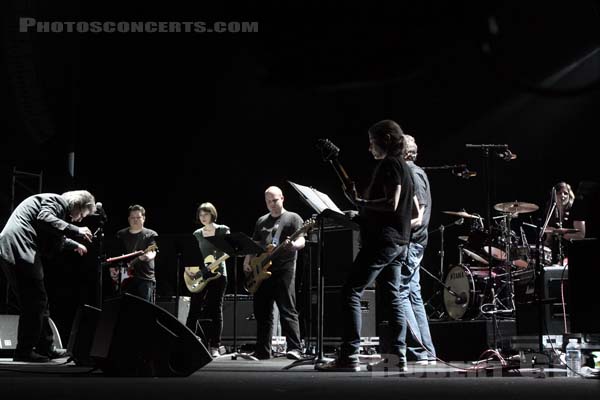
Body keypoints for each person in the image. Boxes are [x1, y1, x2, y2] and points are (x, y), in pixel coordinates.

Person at [317, 119, 415, 372]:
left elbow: (390, 205)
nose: (370, 147)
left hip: (383, 241)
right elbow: (400, 209)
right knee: (392, 297)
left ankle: (349, 356)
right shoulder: (404, 167)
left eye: (373, 142)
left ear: (386, 139)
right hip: (398, 241)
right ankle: (397, 358)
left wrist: (361, 203)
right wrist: (360, 212)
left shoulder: (390, 164)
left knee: (350, 291)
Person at [0, 190, 96, 362]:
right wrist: (76, 229)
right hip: (19, 246)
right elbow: (45, 218)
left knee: (37, 301)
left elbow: (54, 234)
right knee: (35, 301)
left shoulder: (57, 209)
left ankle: (45, 347)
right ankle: (24, 350)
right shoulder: (56, 200)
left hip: (17, 246)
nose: (80, 219)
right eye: (82, 214)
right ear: (76, 204)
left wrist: (75, 244)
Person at [243, 186, 305, 361]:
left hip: (284, 269)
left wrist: (294, 245)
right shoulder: (261, 220)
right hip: (261, 270)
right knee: (262, 312)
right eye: (268, 201)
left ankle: (295, 348)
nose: (272, 204)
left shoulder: (293, 218)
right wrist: (247, 261)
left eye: (275, 200)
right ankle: (262, 351)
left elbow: (301, 240)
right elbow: (254, 243)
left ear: (282, 198)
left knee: (287, 309)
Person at [400, 133, 437, 365]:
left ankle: (419, 351)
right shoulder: (413, 172)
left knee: (400, 292)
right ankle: (426, 353)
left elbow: (418, 215)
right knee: (413, 295)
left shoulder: (412, 173)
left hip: (411, 242)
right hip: (414, 242)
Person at [184, 202, 229, 358]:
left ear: (212, 214)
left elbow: (230, 249)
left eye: (206, 214)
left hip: (219, 274)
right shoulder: (197, 233)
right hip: (201, 275)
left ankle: (215, 345)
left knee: (215, 309)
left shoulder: (223, 229)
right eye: (201, 215)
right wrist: (189, 269)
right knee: (194, 309)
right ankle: (188, 342)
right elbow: (191, 254)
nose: (203, 218)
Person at [115, 204, 158, 303]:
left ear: (144, 218)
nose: (135, 220)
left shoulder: (151, 234)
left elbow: (152, 252)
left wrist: (146, 257)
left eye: (138, 217)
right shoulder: (121, 234)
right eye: (132, 218)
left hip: (145, 278)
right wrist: (113, 269)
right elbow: (116, 254)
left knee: (145, 312)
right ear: (128, 219)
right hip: (125, 279)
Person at [543, 182, 585, 265]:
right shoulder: (550, 211)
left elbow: (581, 235)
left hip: (571, 250)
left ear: (570, 195)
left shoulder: (575, 210)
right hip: (554, 252)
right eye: (559, 193)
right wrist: (548, 236)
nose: (562, 196)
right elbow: (548, 241)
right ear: (554, 195)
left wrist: (560, 233)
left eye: (565, 193)